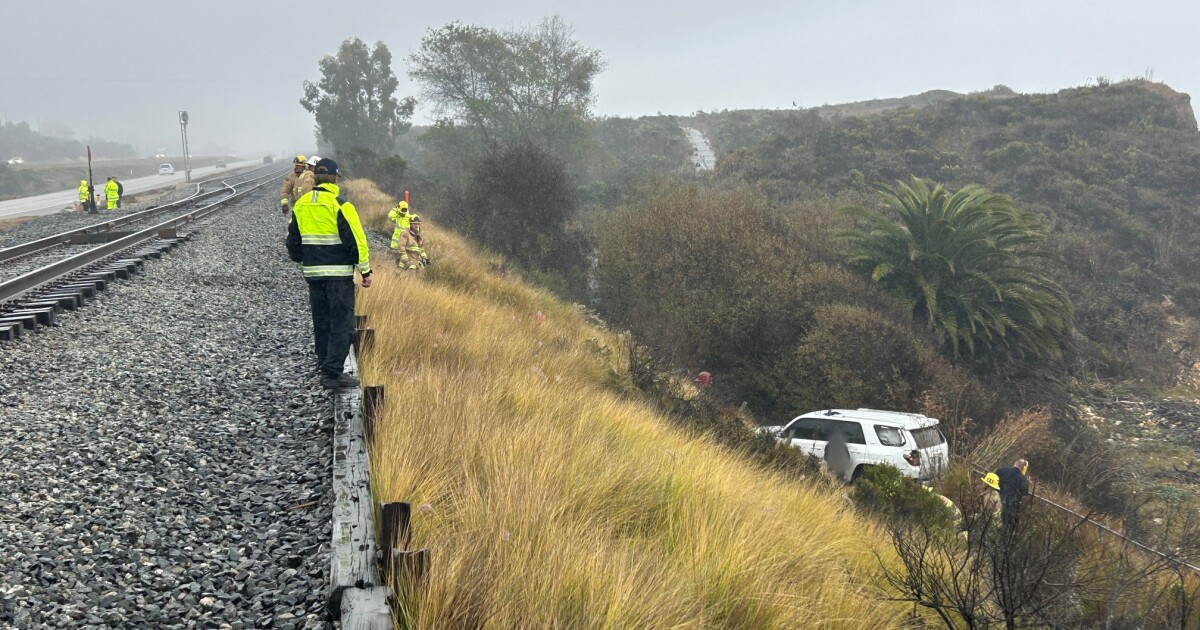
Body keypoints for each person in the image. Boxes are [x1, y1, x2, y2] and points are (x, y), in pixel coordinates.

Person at [285, 158, 372, 389]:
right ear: (335, 178)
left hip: (314, 275)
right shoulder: (341, 205)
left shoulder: (302, 205)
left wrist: (303, 261)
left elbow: (292, 242)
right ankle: (333, 373)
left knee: (321, 320)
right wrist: (365, 271)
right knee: (341, 322)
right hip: (338, 276)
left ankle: (324, 363)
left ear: (314, 178)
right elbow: (356, 241)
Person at [994, 459, 1030, 528]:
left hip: (995, 501)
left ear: (1014, 463)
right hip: (1010, 509)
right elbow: (1024, 494)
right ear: (1024, 468)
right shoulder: (1023, 479)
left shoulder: (1001, 470)